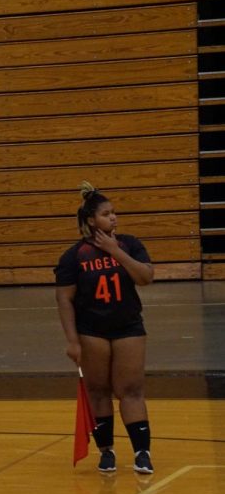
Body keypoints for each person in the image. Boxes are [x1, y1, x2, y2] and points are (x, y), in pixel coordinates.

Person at [54, 182, 155, 474]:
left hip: (128, 327)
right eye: (106, 214)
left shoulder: (129, 244)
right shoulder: (74, 256)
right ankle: (106, 451)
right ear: (90, 220)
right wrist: (72, 341)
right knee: (98, 391)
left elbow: (145, 277)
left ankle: (142, 452)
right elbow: (64, 298)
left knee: (131, 389)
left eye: (114, 213)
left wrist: (115, 251)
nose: (113, 218)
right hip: (92, 331)